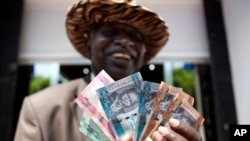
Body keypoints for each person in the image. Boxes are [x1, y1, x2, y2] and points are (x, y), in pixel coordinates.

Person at [14, 0, 202, 141]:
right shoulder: (40, 109)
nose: (125, 41)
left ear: (144, 54)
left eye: (135, 37)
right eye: (111, 32)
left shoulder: (171, 112)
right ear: (89, 46)